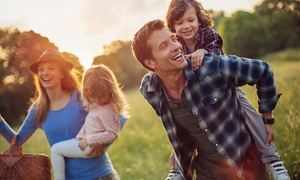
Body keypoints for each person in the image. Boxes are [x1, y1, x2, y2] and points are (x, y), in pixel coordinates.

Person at [131, 19, 285, 179]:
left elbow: (263, 71)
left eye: (174, 39)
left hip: (247, 163)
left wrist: (267, 120)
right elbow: (180, 124)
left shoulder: (211, 67)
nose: (177, 46)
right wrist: (177, 152)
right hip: (208, 172)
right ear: (150, 62)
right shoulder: (150, 90)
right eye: (164, 45)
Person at [164, 0, 290, 179]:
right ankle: (177, 170)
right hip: (196, 95)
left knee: (252, 118)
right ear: (173, 25)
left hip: (225, 90)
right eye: (179, 23)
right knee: (185, 126)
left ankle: (273, 161)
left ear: (199, 20)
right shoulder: (176, 43)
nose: (186, 26)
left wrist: (203, 52)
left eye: (190, 20)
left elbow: (216, 54)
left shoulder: (208, 34)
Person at [0, 48, 127, 180]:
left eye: (51, 68)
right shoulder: (38, 109)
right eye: (41, 69)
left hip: (100, 175)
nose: (45, 73)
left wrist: (103, 144)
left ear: (62, 73)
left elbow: (119, 116)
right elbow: (17, 141)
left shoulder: (80, 97)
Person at [51, 64, 130, 180]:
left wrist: (90, 140)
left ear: (111, 90)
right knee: (58, 149)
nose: (97, 100)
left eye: (102, 96)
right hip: (88, 142)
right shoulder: (99, 101)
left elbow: (113, 133)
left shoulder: (108, 108)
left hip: (89, 145)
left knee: (56, 150)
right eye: (93, 97)